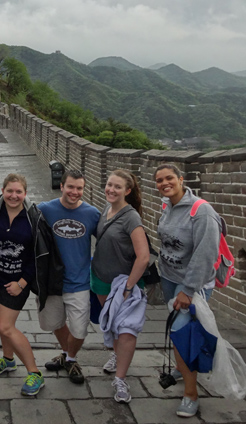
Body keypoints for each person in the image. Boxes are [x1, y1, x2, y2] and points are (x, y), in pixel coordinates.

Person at [0, 174, 63, 396]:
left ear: (25, 194)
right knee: (4, 325)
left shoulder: (33, 218)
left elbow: (36, 256)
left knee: (5, 327)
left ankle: (34, 373)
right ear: (3, 191)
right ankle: (9, 360)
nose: (14, 195)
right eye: (10, 191)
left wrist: (22, 283)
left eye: (18, 192)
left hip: (16, 283)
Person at [154, 163, 219, 418]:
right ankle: (182, 369)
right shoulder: (166, 206)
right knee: (178, 330)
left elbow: (206, 253)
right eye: (159, 180)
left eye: (169, 178)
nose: (164, 183)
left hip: (192, 283)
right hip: (169, 278)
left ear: (181, 179)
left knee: (182, 335)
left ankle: (191, 395)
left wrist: (189, 290)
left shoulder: (201, 211)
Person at [91, 169, 150, 403]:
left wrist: (128, 287)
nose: (111, 190)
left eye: (117, 187)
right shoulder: (106, 209)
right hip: (101, 279)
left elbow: (143, 257)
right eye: (109, 185)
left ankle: (121, 379)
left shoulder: (131, 217)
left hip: (124, 284)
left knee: (126, 330)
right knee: (112, 324)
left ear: (128, 191)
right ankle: (117, 356)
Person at [38, 169, 100, 384]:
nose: (74, 192)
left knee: (79, 329)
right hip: (52, 282)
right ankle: (68, 356)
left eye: (79, 188)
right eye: (71, 187)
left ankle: (70, 357)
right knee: (56, 322)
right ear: (61, 186)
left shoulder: (92, 214)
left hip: (80, 281)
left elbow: (108, 240)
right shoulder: (45, 209)